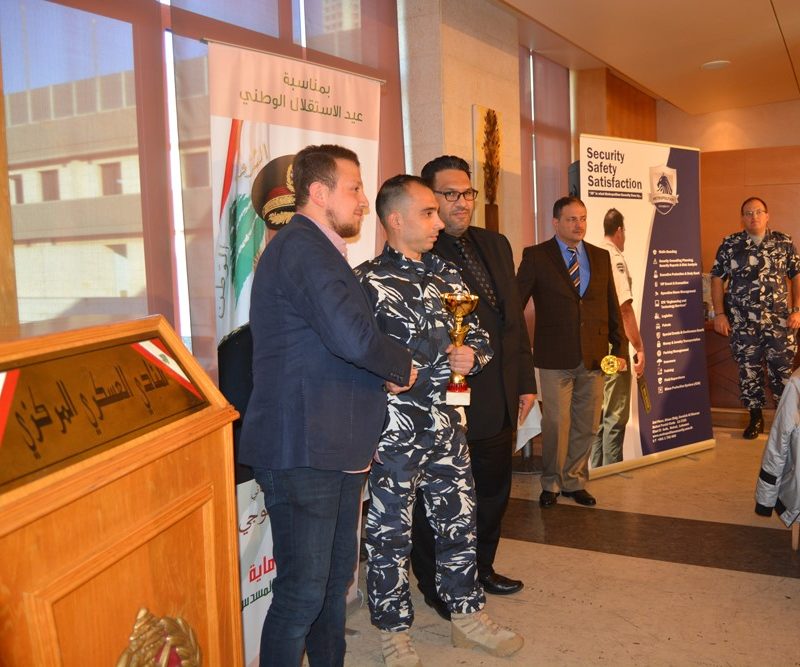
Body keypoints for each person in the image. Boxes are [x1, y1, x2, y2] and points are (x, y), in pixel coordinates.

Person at [238, 144, 416, 667]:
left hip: (332, 444)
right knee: (302, 593)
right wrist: (399, 366)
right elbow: (352, 337)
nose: (363, 200)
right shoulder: (303, 249)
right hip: (303, 448)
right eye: (354, 188)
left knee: (333, 584)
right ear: (319, 193)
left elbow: (332, 344)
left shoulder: (319, 250)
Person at [357, 174, 524, 665]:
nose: (438, 221)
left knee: (459, 522)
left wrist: (475, 355)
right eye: (428, 212)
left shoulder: (447, 275)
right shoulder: (366, 282)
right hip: (394, 432)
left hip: (448, 425)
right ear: (395, 220)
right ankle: (393, 629)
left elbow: (482, 335)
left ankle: (466, 615)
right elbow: (351, 356)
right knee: (390, 533)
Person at [410, 155, 536, 615]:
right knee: (440, 497)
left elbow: (512, 322)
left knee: (492, 492)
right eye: (450, 194)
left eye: (467, 193)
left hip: (499, 395)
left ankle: (480, 568)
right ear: (429, 199)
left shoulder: (495, 244)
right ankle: (436, 582)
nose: (462, 203)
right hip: (449, 400)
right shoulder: (421, 252)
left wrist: (525, 382)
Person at [516, 196, 627, 508]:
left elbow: (611, 305)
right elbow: (515, 304)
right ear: (556, 223)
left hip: (595, 354)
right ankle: (551, 482)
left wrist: (619, 348)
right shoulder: (536, 256)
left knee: (587, 423)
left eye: (583, 218)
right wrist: (515, 345)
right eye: (571, 219)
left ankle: (574, 480)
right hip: (554, 356)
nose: (579, 225)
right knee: (556, 423)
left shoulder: (600, 256)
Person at [710, 196, 800, 439]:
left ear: (767, 216)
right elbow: (717, 278)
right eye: (748, 213)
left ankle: (786, 423)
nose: (754, 217)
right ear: (742, 218)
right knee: (749, 372)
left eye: (759, 212)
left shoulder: (783, 242)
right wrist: (719, 314)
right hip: (744, 324)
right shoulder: (730, 244)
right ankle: (756, 419)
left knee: (782, 375)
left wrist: (797, 309)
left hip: (778, 323)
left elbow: (796, 275)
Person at [590, 208, 645, 467]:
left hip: (597, 344)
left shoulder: (592, 254)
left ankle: (596, 472)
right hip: (615, 348)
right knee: (615, 414)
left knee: (601, 414)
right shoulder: (614, 258)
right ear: (620, 231)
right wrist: (638, 346)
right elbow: (624, 308)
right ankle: (611, 474)